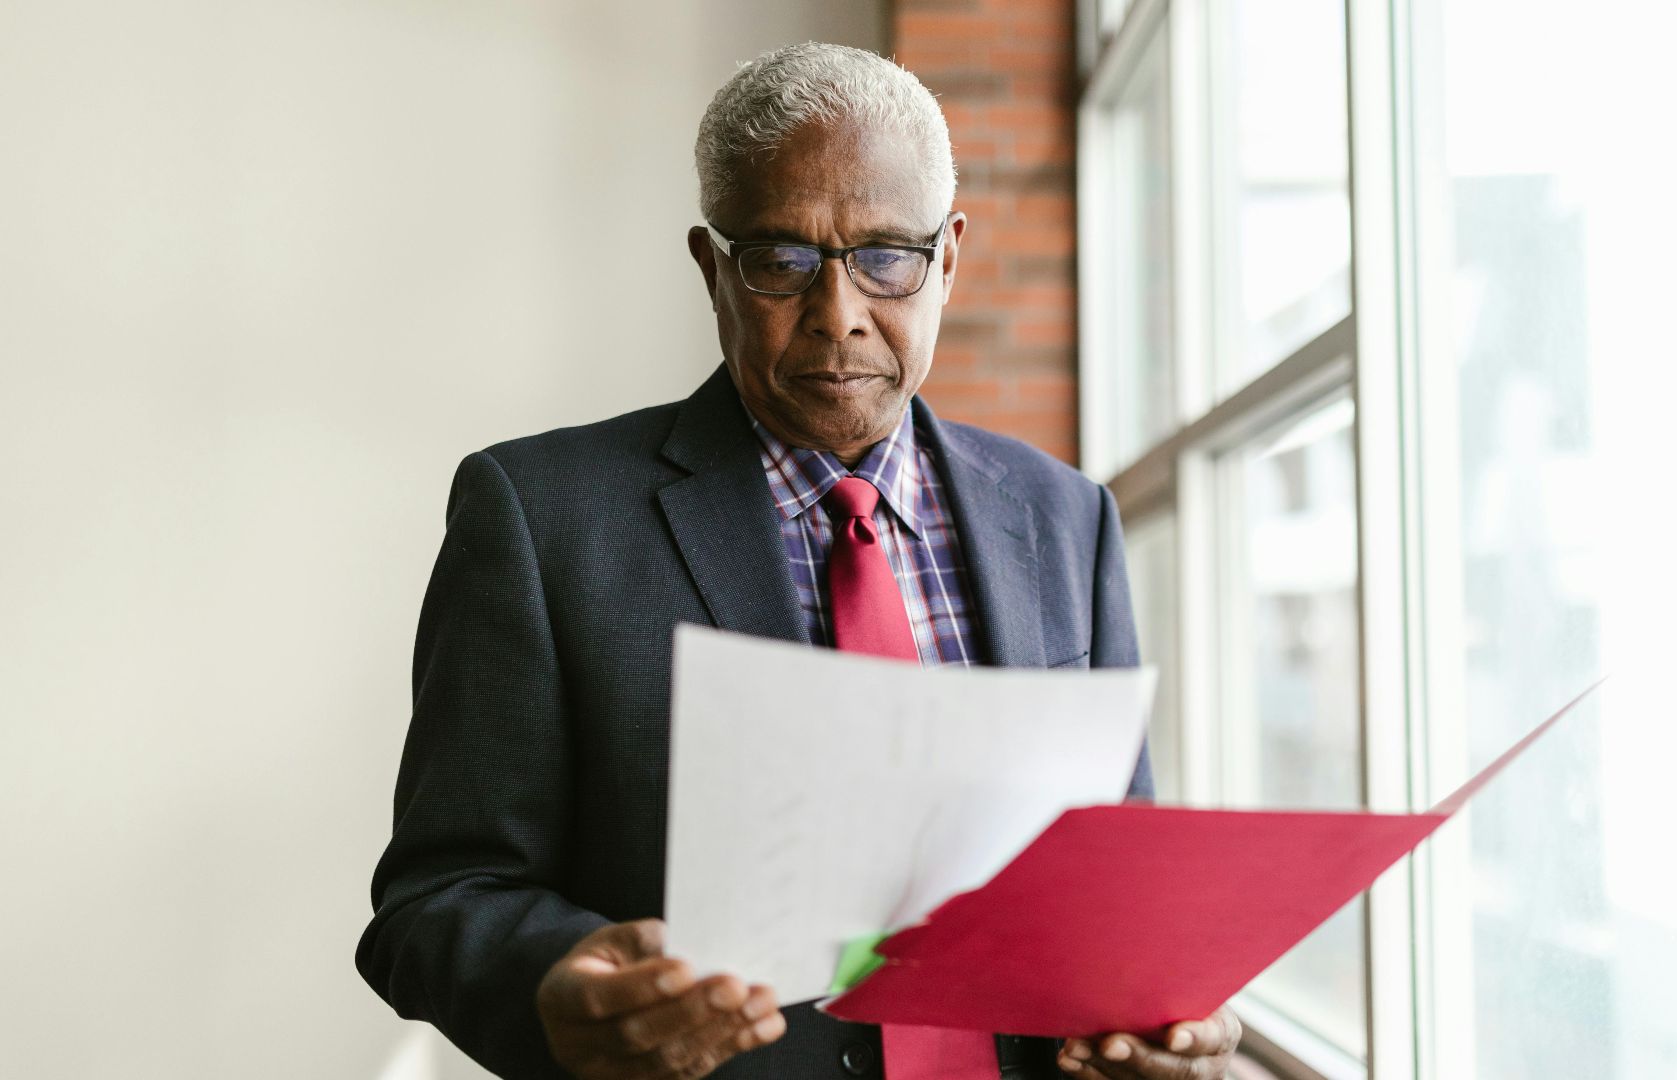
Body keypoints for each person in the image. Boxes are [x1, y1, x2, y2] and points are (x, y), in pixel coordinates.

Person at [356, 42, 1241, 1080]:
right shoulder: (542, 521)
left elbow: (1117, 886)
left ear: (948, 258)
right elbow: (435, 900)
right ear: (711, 269)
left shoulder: (1064, 517)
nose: (840, 314)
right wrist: (560, 985)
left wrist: (1166, 1013)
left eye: (887, 257)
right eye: (781, 260)